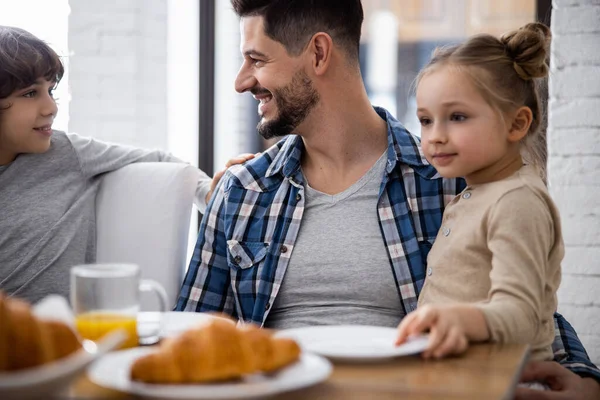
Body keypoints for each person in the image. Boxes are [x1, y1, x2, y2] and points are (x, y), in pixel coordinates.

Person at [175, 1, 600, 397]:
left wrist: (585, 381)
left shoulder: (449, 179)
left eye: (256, 59)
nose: (240, 81)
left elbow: (525, 304)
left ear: (319, 54)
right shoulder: (241, 192)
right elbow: (188, 337)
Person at [0, 25, 253, 303]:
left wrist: (210, 193)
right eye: (29, 93)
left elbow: (162, 160)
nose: (51, 108)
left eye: (50, 90)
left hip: (58, 337)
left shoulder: (65, 153)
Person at [394, 23, 559, 366]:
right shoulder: (474, 193)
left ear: (516, 124)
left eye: (457, 117)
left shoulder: (516, 201)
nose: (435, 136)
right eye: (425, 120)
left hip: (504, 381)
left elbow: (523, 317)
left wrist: (460, 319)